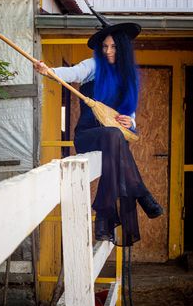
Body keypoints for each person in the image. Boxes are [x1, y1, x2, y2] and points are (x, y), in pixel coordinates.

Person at [34, 12, 163, 247]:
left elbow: (129, 116)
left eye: (113, 46)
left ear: (122, 48)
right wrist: (49, 71)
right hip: (88, 136)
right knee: (115, 138)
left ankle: (104, 221)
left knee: (116, 137)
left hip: (113, 138)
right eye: (105, 46)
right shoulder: (94, 65)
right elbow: (71, 74)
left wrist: (130, 123)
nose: (108, 51)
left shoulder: (128, 78)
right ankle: (141, 193)